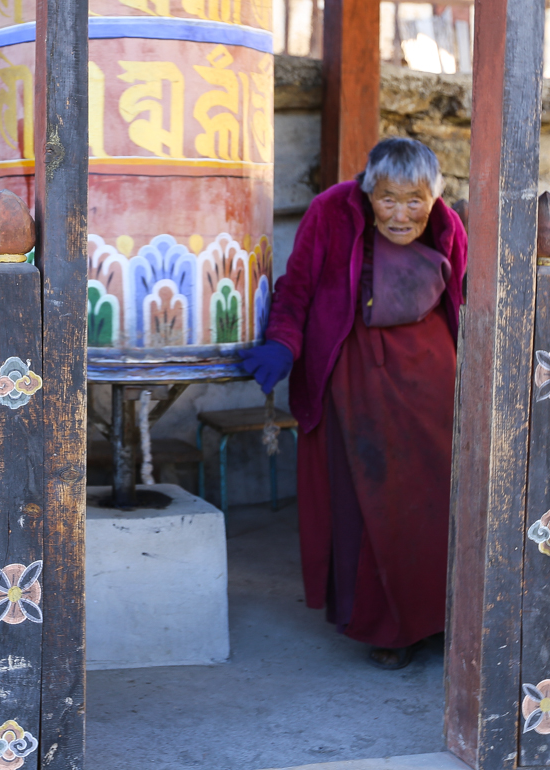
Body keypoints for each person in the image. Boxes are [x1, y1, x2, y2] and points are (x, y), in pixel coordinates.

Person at [238, 138, 467, 669]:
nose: (401, 213)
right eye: (388, 198)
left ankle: (441, 617)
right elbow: (297, 287)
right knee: (369, 503)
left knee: (434, 504)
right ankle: (388, 627)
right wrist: (284, 343)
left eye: (415, 200)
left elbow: (466, 296)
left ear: (434, 196)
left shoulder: (447, 224)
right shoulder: (332, 211)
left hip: (433, 378)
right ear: (369, 190)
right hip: (355, 376)